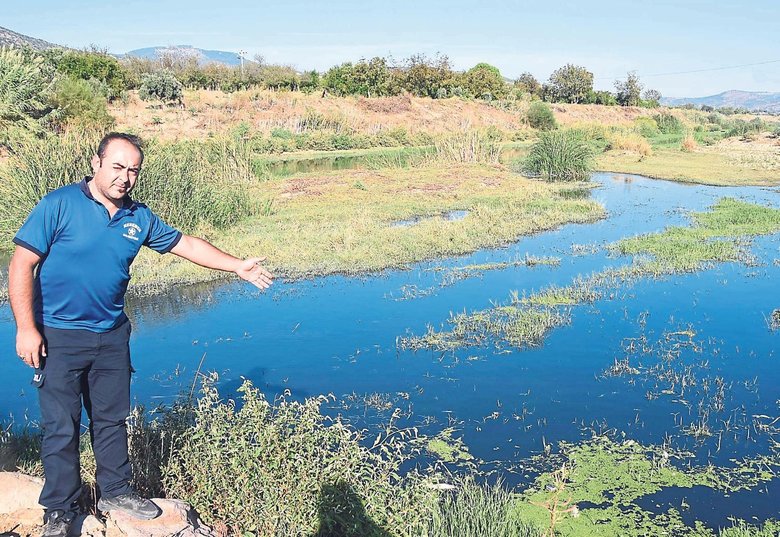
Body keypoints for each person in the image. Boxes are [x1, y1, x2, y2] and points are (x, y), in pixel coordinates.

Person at [8, 132, 273, 537]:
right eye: (117, 167)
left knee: (111, 420)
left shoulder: (138, 217)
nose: (124, 177)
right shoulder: (59, 204)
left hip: (111, 336)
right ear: (96, 163)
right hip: (59, 335)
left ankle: (115, 492)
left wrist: (236, 265)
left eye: (133, 170)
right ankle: (60, 510)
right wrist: (27, 329)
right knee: (61, 426)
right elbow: (21, 265)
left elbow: (186, 244)